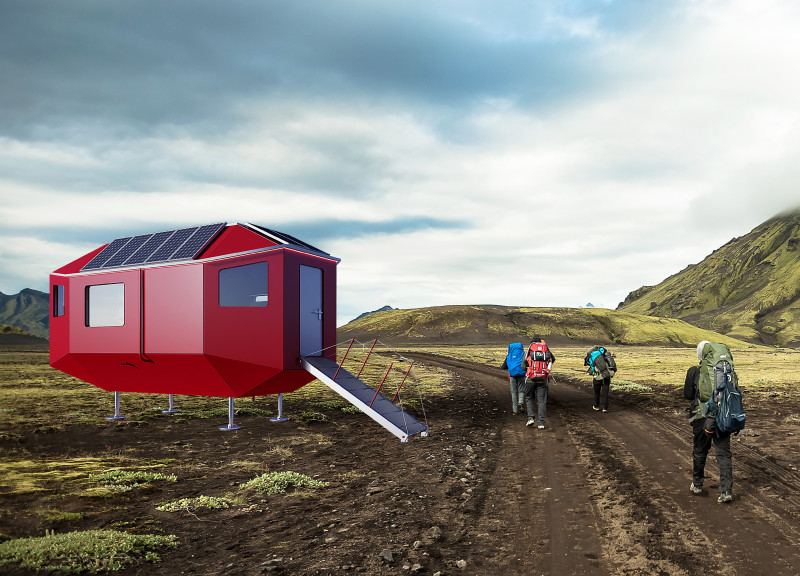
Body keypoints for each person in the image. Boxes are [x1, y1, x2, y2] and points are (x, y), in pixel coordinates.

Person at [684, 340, 733, 503]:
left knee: (700, 450)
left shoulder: (694, 371)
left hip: (702, 416)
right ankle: (726, 491)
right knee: (724, 454)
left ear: (700, 355)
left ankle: (697, 484)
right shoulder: (726, 371)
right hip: (723, 416)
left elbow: (688, 395)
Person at [523, 337, 555, 429]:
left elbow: (523, 365)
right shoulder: (546, 350)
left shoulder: (528, 351)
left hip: (530, 379)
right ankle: (541, 423)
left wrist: (530, 369)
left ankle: (531, 418)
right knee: (542, 401)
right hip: (543, 379)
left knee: (529, 398)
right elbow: (552, 359)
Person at [584, 346, 616, 413]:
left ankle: (596, 406)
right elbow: (612, 366)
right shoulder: (606, 356)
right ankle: (605, 408)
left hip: (598, 377)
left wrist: (592, 373)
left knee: (597, 392)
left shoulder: (594, 357)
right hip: (607, 376)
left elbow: (592, 366)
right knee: (605, 393)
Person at [500, 342, 527, 415]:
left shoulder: (509, 355)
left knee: (513, 392)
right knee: (521, 391)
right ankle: (520, 402)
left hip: (512, 376)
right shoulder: (524, 354)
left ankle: (514, 410)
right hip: (521, 375)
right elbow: (527, 364)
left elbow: (503, 367)